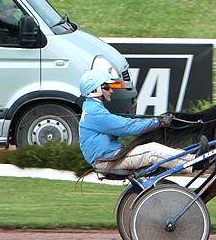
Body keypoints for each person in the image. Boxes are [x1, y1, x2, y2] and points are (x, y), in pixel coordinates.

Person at [78, 69, 208, 174]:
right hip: (107, 161)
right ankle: (194, 162)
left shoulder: (92, 108)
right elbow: (126, 127)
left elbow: (120, 125)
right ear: (95, 90)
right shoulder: (94, 112)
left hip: (109, 157)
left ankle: (191, 158)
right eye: (107, 87)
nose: (111, 90)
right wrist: (157, 122)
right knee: (151, 150)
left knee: (153, 147)